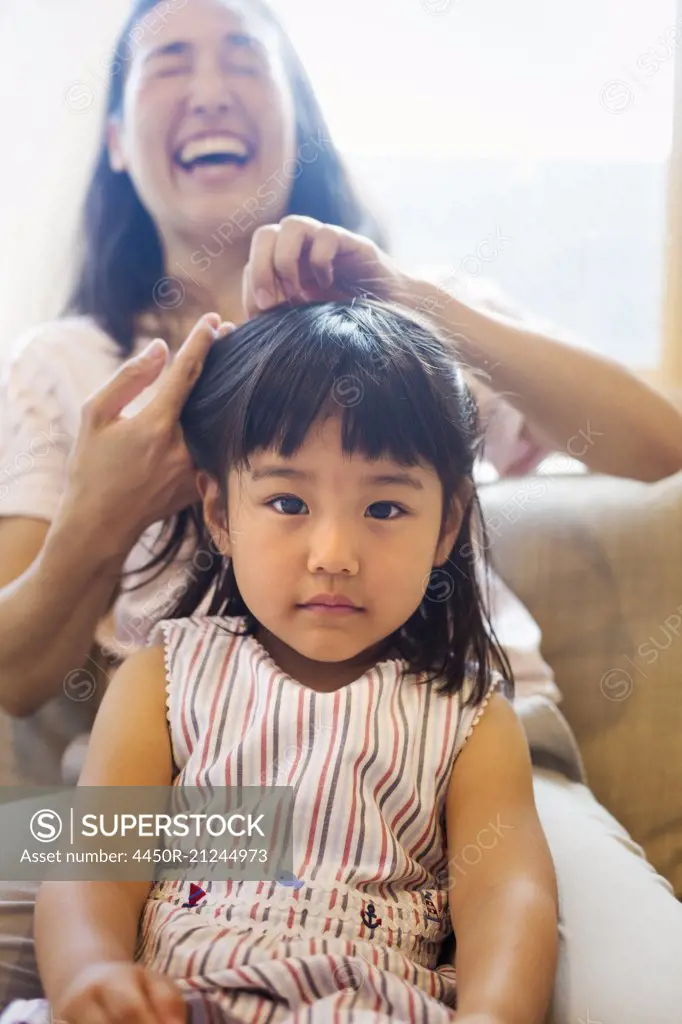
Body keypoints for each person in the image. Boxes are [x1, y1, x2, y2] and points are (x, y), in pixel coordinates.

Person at [0, 0, 681, 1020]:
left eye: (245, 56)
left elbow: (655, 442)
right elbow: (15, 676)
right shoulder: (65, 367)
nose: (211, 84)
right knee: (69, 890)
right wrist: (101, 514)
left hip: (458, 767)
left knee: (644, 988)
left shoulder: (397, 326)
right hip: (195, 789)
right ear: (112, 138)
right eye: (168, 62)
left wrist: (412, 303)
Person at [7, 299, 561, 1024]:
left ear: (446, 524)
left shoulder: (471, 717)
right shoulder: (162, 680)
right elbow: (95, 867)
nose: (334, 555)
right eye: (288, 501)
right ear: (218, 512)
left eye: (385, 509)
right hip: (175, 1004)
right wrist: (90, 976)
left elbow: (506, 895)